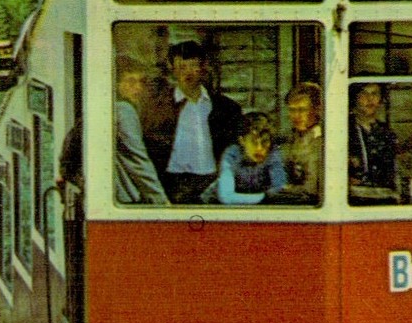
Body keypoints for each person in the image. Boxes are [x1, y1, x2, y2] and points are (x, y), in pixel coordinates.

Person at [146, 40, 244, 203]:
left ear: (203, 67)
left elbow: (235, 148)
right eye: (182, 67)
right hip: (172, 183)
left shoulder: (227, 108)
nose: (188, 73)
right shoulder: (158, 107)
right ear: (172, 68)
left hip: (213, 182)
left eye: (193, 66)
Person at [112, 58, 170, 205]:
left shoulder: (114, 108)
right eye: (131, 82)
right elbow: (137, 158)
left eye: (142, 82)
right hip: (125, 198)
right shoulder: (124, 110)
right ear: (116, 84)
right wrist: (161, 201)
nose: (138, 88)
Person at [204, 114, 288, 204]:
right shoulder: (232, 155)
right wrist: (265, 197)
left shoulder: (273, 154)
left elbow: (280, 189)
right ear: (242, 140)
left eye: (265, 141)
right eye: (253, 141)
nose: (259, 148)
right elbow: (226, 196)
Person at [348, 82, 398, 193]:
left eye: (374, 94)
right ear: (355, 98)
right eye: (364, 93)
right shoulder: (346, 131)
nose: (370, 99)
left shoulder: (387, 134)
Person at [280, 81, 324, 203]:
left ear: (317, 109)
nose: (296, 116)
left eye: (302, 109)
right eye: (292, 110)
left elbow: (311, 189)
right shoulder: (290, 138)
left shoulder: (321, 141)